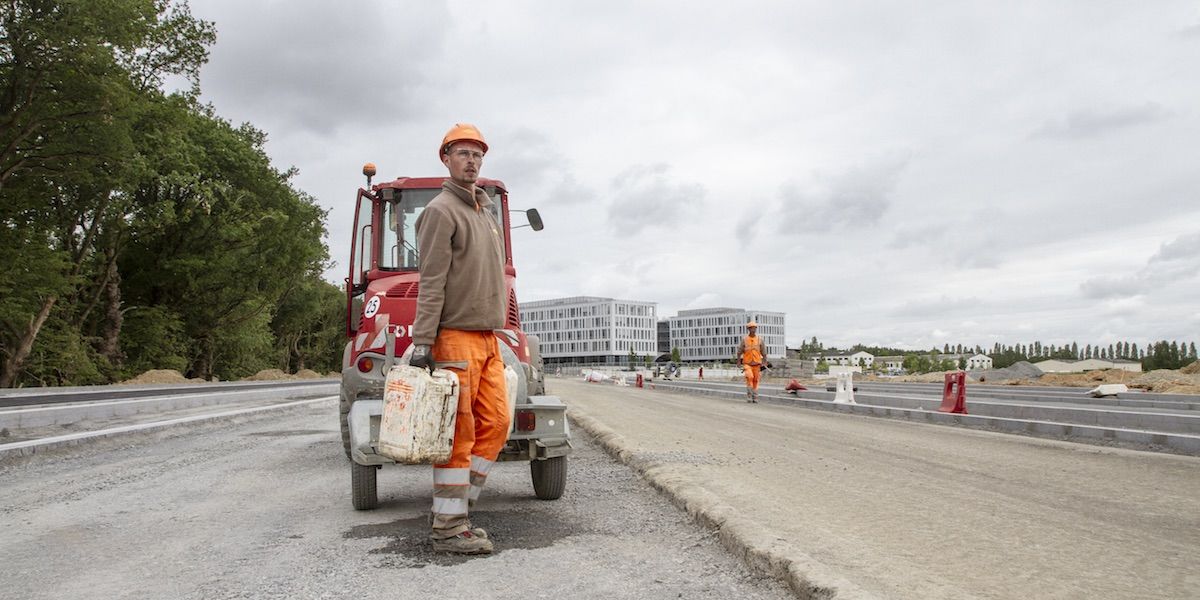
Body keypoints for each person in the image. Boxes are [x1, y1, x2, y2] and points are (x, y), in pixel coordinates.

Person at [409, 123, 509, 555]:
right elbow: (431, 281)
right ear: (446, 159)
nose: (472, 160)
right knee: (459, 435)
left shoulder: (483, 213)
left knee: (499, 423)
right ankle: (449, 530)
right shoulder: (440, 211)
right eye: (463, 153)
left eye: (478, 154)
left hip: (487, 338)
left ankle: (457, 511)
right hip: (454, 339)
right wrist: (423, 341)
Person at [736, 321, 766, 402]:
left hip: (757, 364)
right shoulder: (744, 340)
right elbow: (739, 352)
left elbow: (764, 352)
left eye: (754, 328)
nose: (753, 329)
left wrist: (764, 362)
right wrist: (738, 361)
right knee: (750, 377)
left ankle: (755, 397)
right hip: (747, 363)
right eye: (751, 328)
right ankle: (749, 395)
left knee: (756, 380)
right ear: (748, 329)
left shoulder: (760, 339)